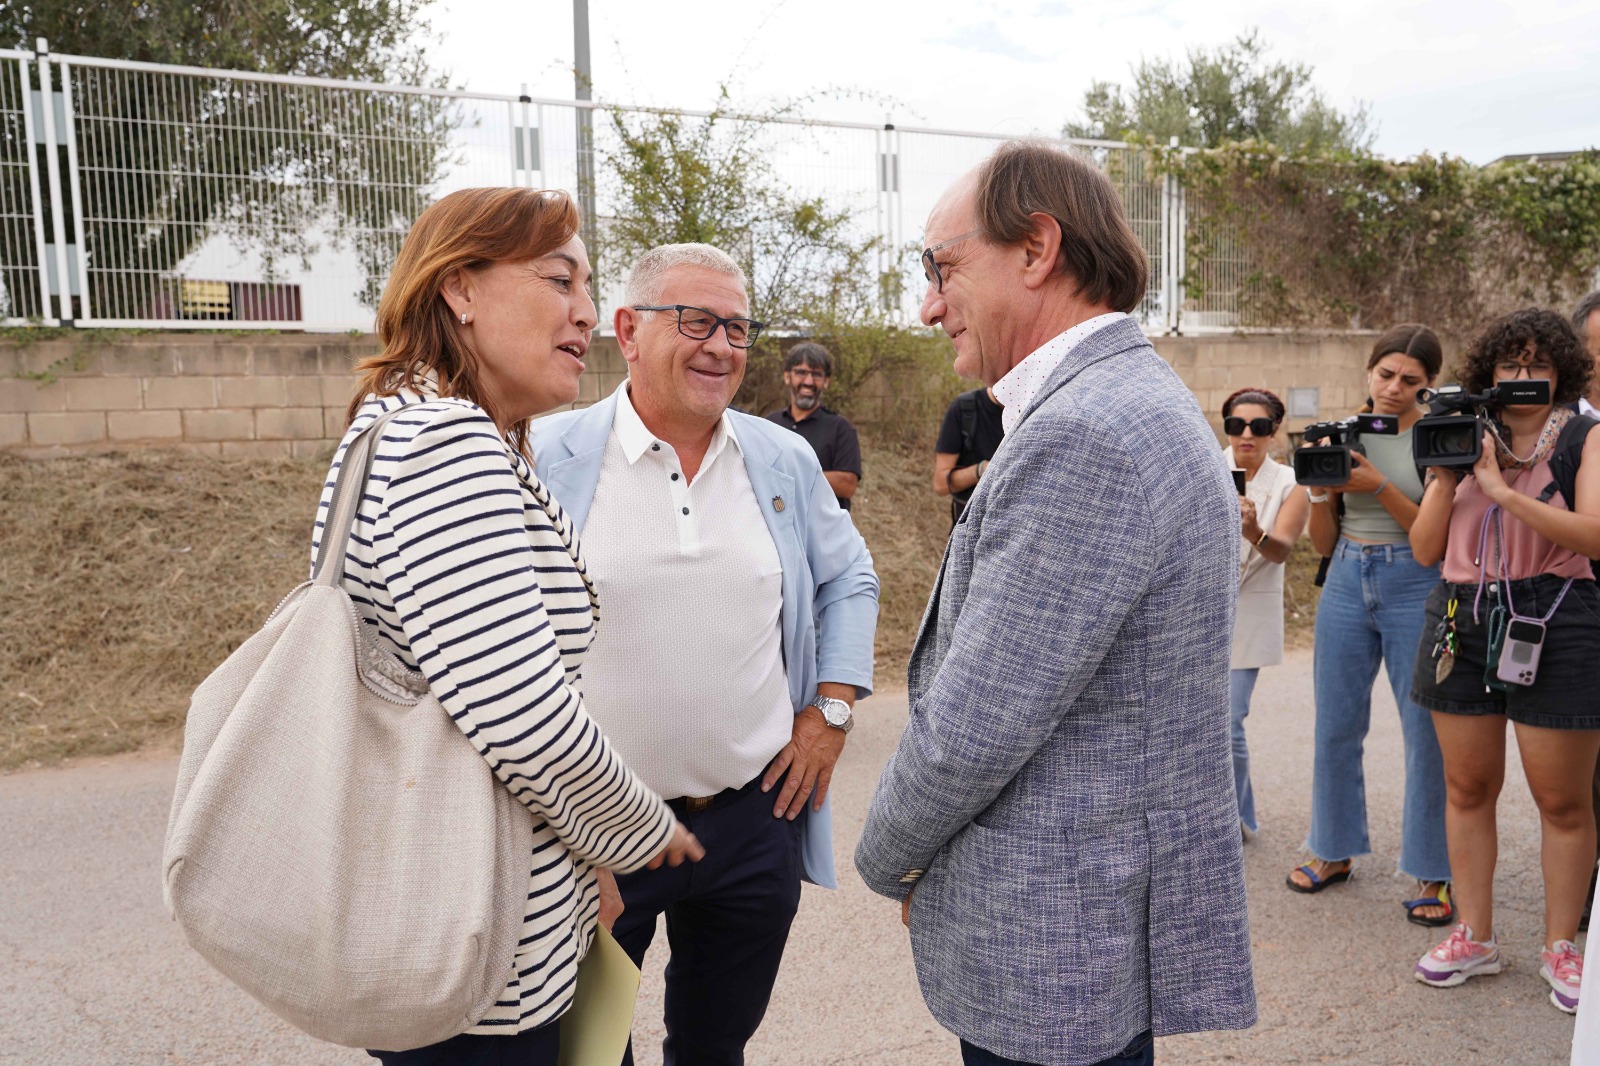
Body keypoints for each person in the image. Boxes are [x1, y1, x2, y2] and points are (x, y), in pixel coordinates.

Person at [854, 140, 1256, 1066]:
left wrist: (893, 855)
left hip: (1058, 939)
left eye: (943, 267)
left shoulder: (1085, 431)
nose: (927, 304)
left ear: (1037, 249)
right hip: (1085, 926)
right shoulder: (1125, 400)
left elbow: (977, 721)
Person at [318, 187, 703, 1066]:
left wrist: (582, 864)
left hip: (483, 909)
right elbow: (523, 717)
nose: (585, 314)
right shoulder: (443, 446)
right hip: (482, 951)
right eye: (559, 279)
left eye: (587, 287)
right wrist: (644, 835)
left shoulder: (422, 428)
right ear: (461, 289)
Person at [528, 242, 879, 1066]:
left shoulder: (781, 457)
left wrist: (830, 711)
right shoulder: (543, 454)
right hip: (592, 834)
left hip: (748, 825)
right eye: (696, 322)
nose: (722, 347)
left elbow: (850, 579)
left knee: (715, 1048)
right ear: (629, 330)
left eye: (738, 328)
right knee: (584, 1051)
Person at [1407, 308, 1600, 1016]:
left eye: (1537, 365)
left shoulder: (1584, 437)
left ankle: (1562, 946)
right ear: (1488, 375)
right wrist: (1446, 470)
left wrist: (1497, 489)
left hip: (1557, 615)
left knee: (1562, 800)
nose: (1523, 378)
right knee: (1467, 788)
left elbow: (1595, 534)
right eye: (1509, 365)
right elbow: (1427, 550)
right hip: (1462, 613)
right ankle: (1475, 935)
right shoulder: (1459, 433)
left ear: (1562, 373)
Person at [1285, 325, 1455, 927]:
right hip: (1347, 576)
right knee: (1335, 724)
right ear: (1368, 372)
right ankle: (1333, 851)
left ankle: (1434, 869)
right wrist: (1322, 494)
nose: (1394, 388)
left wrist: (1376, 484)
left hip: (1416, 579)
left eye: (1410, 380)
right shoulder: (1342, 433)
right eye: (1385, 375)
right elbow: (1322, 543)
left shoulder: (1439, 438)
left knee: (1427, 734)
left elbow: (1429, 540)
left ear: (1429, 384)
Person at [1221, 387, 1309, 838]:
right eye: (1237, 425)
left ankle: (1234, 818)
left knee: (1230, 719)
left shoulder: (1291, 484)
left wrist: (1253, 530)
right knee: (1195, 724)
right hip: (1201, 613)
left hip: (1250, 615)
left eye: (1258, 426)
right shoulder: (1207, 469)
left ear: (1274, 431)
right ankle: (1215, 815)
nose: (1246, 435)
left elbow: (1282, 552)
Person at [765, 341, 863, 510]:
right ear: (787, 377)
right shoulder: (768, 424)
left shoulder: (841, 428)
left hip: (825, 535)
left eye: (817, 375)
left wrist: (787, 476)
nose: (809, 381)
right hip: (777, 531)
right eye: (801, 372)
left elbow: (847, 485)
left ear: (826, 381)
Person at [933, 386, 1004, 525]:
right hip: (970, 529)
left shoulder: (1035, 409)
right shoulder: (965, 409)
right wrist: (982, 470)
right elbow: (940, 484)